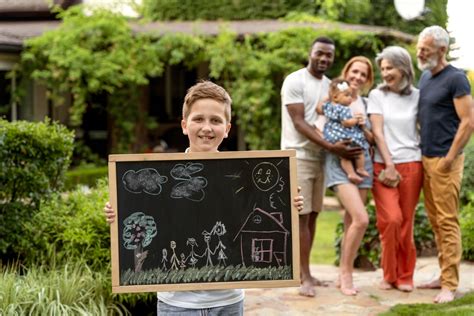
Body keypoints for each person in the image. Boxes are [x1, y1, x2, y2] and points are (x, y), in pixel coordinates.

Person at [104, 81, 305, 315]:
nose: (206, 128)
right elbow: (138, 213)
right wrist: (118, 211)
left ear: (227, 128)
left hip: (228, 301)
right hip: (177, 304)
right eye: (198, 119)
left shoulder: (242, 176)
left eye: (216, 120)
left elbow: (263, 209)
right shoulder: (165, 176)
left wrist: (289, 204)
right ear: (184, 125)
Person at [281, 37, 362, 297]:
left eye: (329, 55)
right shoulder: (295, 80)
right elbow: (299, 122)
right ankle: (303, 276)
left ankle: (308, 272)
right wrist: (332, 146)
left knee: (314, 214)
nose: (324, 59)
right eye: (320, 53)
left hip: (321, 157)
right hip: (299, 156)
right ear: (310, 52)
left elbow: (332, 118)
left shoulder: (331, 86)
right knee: (302, 216)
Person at [416, 25, 474, 303]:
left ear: (442, 49)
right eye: (419, 47)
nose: (419, 52)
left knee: (447, 221)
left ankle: (450, 285)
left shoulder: (457, 79)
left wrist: (450, 159)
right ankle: (443, 275)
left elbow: (468, 122)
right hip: (426, 158)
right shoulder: (426, 76)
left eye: (425, 48)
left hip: (444, 160)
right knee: (437, 222)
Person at [367, 46, 423, 293]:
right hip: (383, 165)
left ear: (403, 68)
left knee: (406, 223)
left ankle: (405, 275)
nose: (385, 73)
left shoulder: (418, 96)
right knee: (390, 220)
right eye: (383, 69)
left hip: (412, 163)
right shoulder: (377, 95)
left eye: (390, 68)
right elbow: (377, 131)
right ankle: (388, 273)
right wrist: (389, 164)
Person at [324, 56, 375, 296]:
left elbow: (371, 137)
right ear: (347, 72)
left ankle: (342, 272)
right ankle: (346, 273)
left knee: (351, 221)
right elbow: (320, 122)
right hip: (340, 162)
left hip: (363, 160)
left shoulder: (365, 103)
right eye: (354, 72)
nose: (357, 77)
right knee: (361, 219)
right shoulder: (332, 96)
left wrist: (364, 127)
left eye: (363, 74)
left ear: (367, 80)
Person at [317, 78, 370, 184]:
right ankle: (360, 168)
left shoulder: (328, 106)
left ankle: (351, 173)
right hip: (344, 134)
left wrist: (329, 97)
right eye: (347, 95)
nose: (350, 98)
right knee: (359, 150)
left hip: (333, 135)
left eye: (350, 95)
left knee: (344, 157)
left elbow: (318, 109)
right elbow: (346, 123)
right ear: (336, 97)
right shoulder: (343, 109)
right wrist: (356, 120)